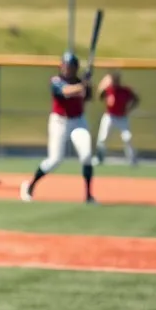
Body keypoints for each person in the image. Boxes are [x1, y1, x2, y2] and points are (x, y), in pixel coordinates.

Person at [20, 52, 96, 204]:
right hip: (59, 122)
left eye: (71, 67)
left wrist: (88, 83)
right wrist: (82, 85)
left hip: (78, 121)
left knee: (87, 156)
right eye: (65, 66)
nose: (67, 69)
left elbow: (88, 96)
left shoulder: (79, 82)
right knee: (55, 160)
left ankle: (88, 196)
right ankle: (30, 185)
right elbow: (65, 92)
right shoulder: (56, 81)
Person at [94, 71, 138, 166]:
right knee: (102, 138)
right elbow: (100, 96)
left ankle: (132, 159)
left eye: (116, 80)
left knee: (127, 137)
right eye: (113, 80)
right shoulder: (108, 90)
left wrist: (129, 109)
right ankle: (99, 158)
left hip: (122, 117)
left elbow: (136, 99)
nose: (115, 82)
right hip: (109, 116)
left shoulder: (125, 90)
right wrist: (103, 84)